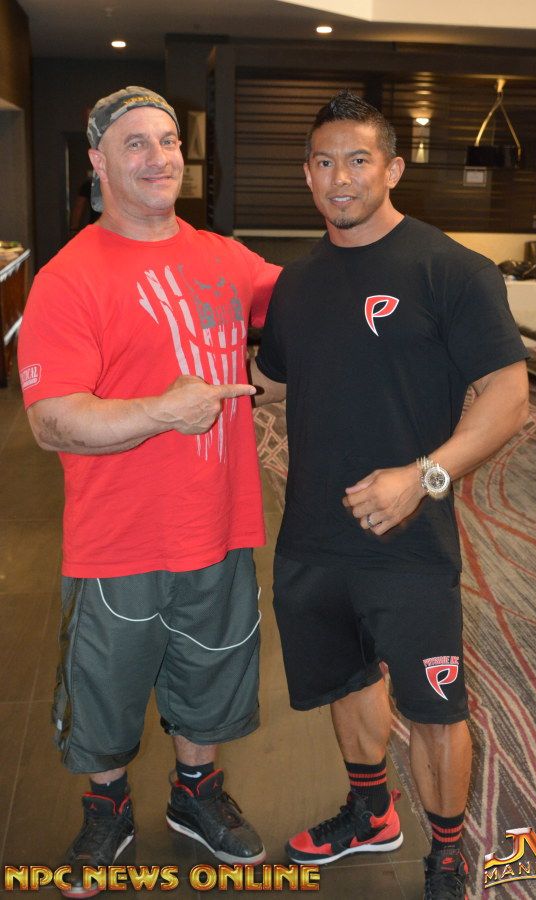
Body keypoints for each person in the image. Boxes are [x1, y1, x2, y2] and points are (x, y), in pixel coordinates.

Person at [251, 91, 529, 900]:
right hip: (313, 533)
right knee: (345, 679)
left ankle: (445, 854)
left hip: (410, 540)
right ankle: (371, 811)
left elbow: (508, 398)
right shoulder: (298, 283)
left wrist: (424, 476)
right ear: (307, 174)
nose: (340, 178)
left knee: (435, 706)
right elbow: (271, 380)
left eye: (359, 160)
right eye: (325, 162)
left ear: (393, 168)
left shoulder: (452, 270)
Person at [18, 86, 281, 897]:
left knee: (214, 673)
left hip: (223, 522)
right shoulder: (68, 278)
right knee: (105, 688)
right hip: (119, 536)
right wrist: (164, 410)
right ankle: (107, 810)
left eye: (168, 141)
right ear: (98, 160)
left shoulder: (225, 259)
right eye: (135, 143)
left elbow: (312, 310)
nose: (159, 157)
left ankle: (196, 794)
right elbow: (52, 422)